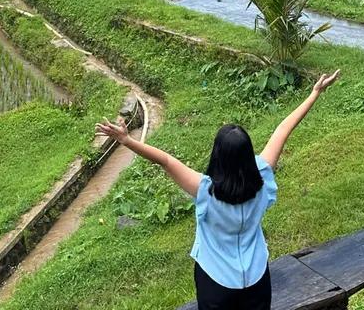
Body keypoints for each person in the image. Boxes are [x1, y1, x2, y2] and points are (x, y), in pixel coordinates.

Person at [95, 69, 341, 309]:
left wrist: (126, 140)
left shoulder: (205, 190)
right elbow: (283, 129)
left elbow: (165, 160)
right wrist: (314, 93)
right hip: (256, 279)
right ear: (248, 155)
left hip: (216, 281)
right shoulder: (263, 176)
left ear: (217, 157)